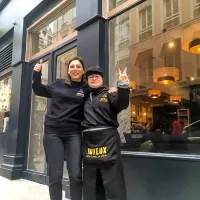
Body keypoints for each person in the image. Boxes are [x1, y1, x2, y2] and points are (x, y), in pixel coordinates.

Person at [32, 57, 87, 200]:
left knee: (75, 175)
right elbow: (38, 90)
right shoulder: (58, 84)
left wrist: (114, 89)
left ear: (83, 70)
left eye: (78, 66)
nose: (75, 69)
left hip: (74, 134)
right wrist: (37, 74)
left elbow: (100, 93)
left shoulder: (85, 89)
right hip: (53, 132)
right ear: (68, 70)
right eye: (72, 66)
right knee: (55, 176)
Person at [82, 65, 130, 200]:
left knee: (112, 180)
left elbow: (122, 103)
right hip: (89, 142)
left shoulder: (110, 93)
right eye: (91, 77)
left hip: (108, 140)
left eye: (97, 76)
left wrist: (123, 85)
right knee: (92, 181)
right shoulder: (84, 97)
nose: (94, 78)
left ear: (102, 79)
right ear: (87, 80)